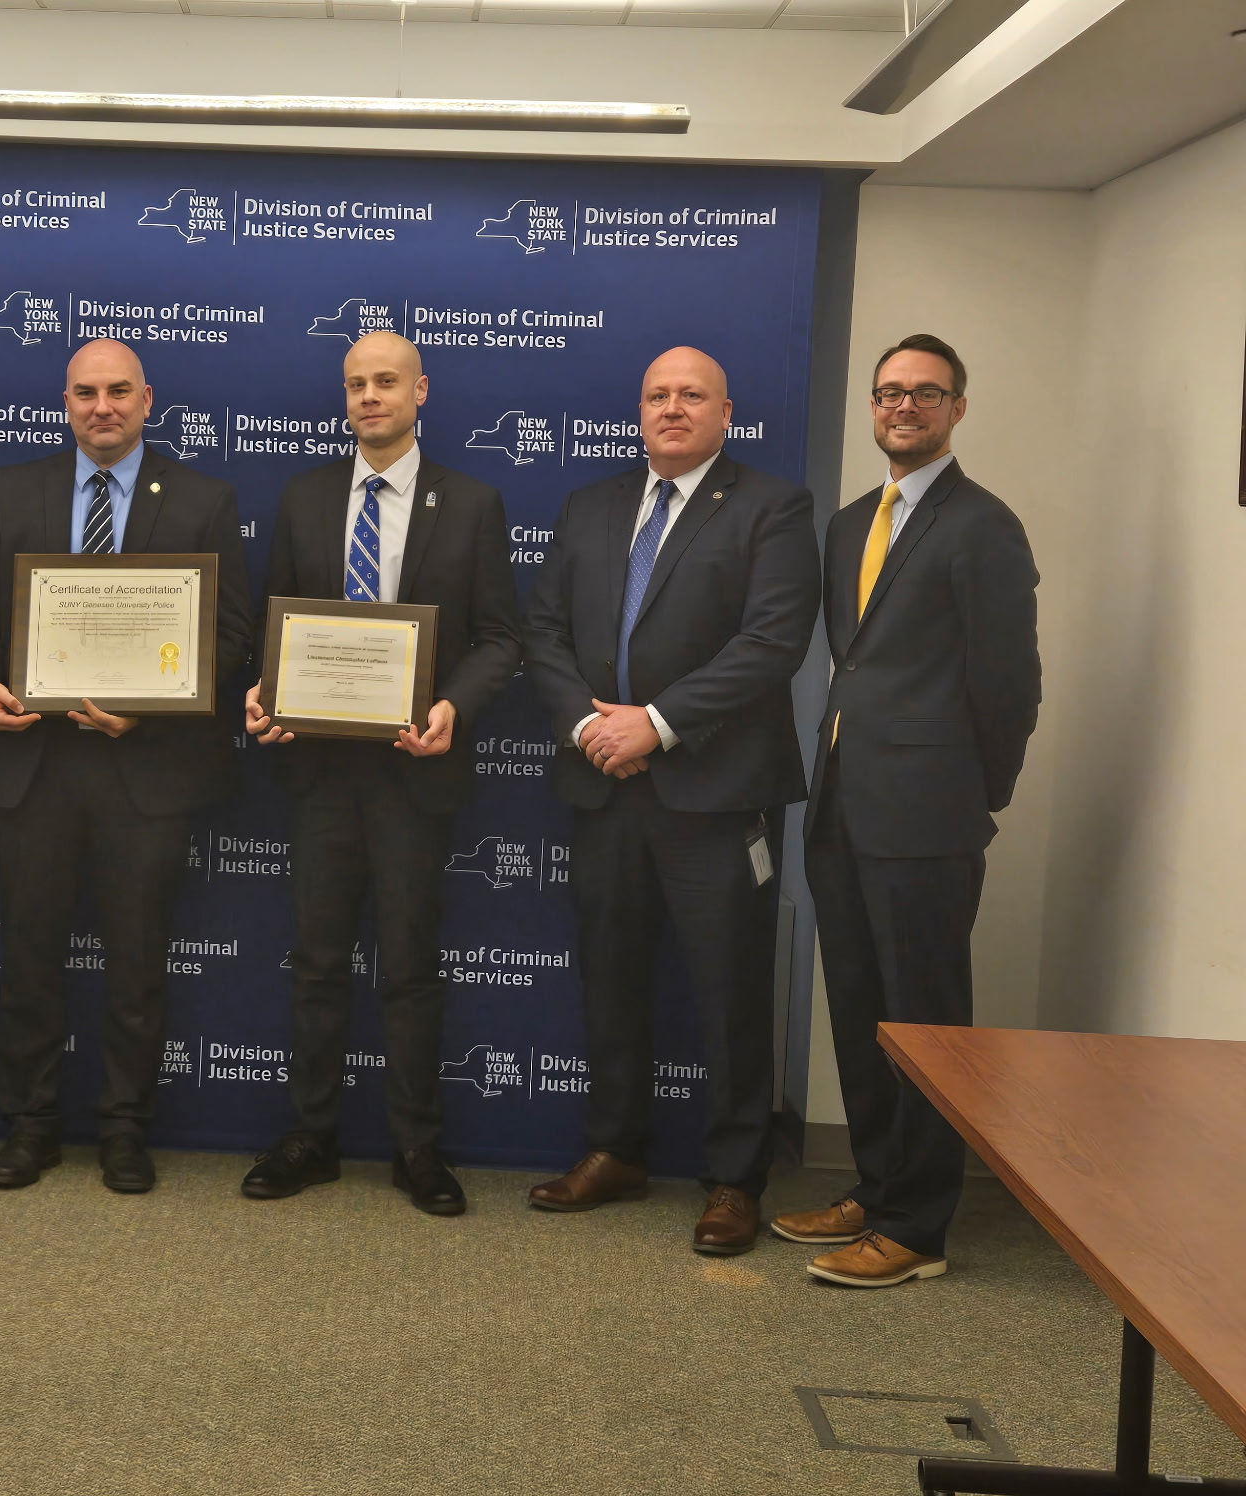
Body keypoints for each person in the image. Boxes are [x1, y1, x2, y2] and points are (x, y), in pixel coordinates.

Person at [521, 346, 819, 1254]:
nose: (672, 409)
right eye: (657, 395)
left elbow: (772, 643)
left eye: (692, 396)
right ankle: (616, 1150)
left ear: (727, 412)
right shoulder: (591, 506)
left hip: (714, 795)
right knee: (611, 981)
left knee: (729, 992)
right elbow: (544, 631)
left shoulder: (772, 507)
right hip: (603, 785)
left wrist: (654, 722)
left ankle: (734, 1179)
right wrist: (590, 728)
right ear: (638, 410)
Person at [0, 339, 252, 1195]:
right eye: (86, 393)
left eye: (119, 391)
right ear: (66, 401)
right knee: (32, 957)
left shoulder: (203, 498)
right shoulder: (18, 489)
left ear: (147, 399)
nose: (102, 407)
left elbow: (228, 638)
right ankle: (31, 1125)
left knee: (136, 963)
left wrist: (147, 705)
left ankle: (124, 1128)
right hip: (33, 763)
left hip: (145, 766)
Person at [775, 334, 1039, 1287]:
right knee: (858, 1009)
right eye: (890, 393)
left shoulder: (984, 525)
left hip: (928, 819)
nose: (904, 407)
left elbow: (1010, 685)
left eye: (927, 394)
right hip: (843, 807)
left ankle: (919, 1229)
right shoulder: (851, 522)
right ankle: (877, 1187)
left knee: (924, 1022)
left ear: (958, 409)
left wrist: (973, 794)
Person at [241, 331, 521, 1218]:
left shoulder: (472, 503)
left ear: (420, 391)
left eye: (386, 382)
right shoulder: (306, 496)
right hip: (320, 771)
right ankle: (312, 1136)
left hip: (414, 772)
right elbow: (273, 625)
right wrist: (263, 694)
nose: (370, 396)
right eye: (357, 383)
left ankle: (416, 1145)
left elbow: (501, 638)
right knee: (319, 963)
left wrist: (456, 707)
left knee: (408, 968)